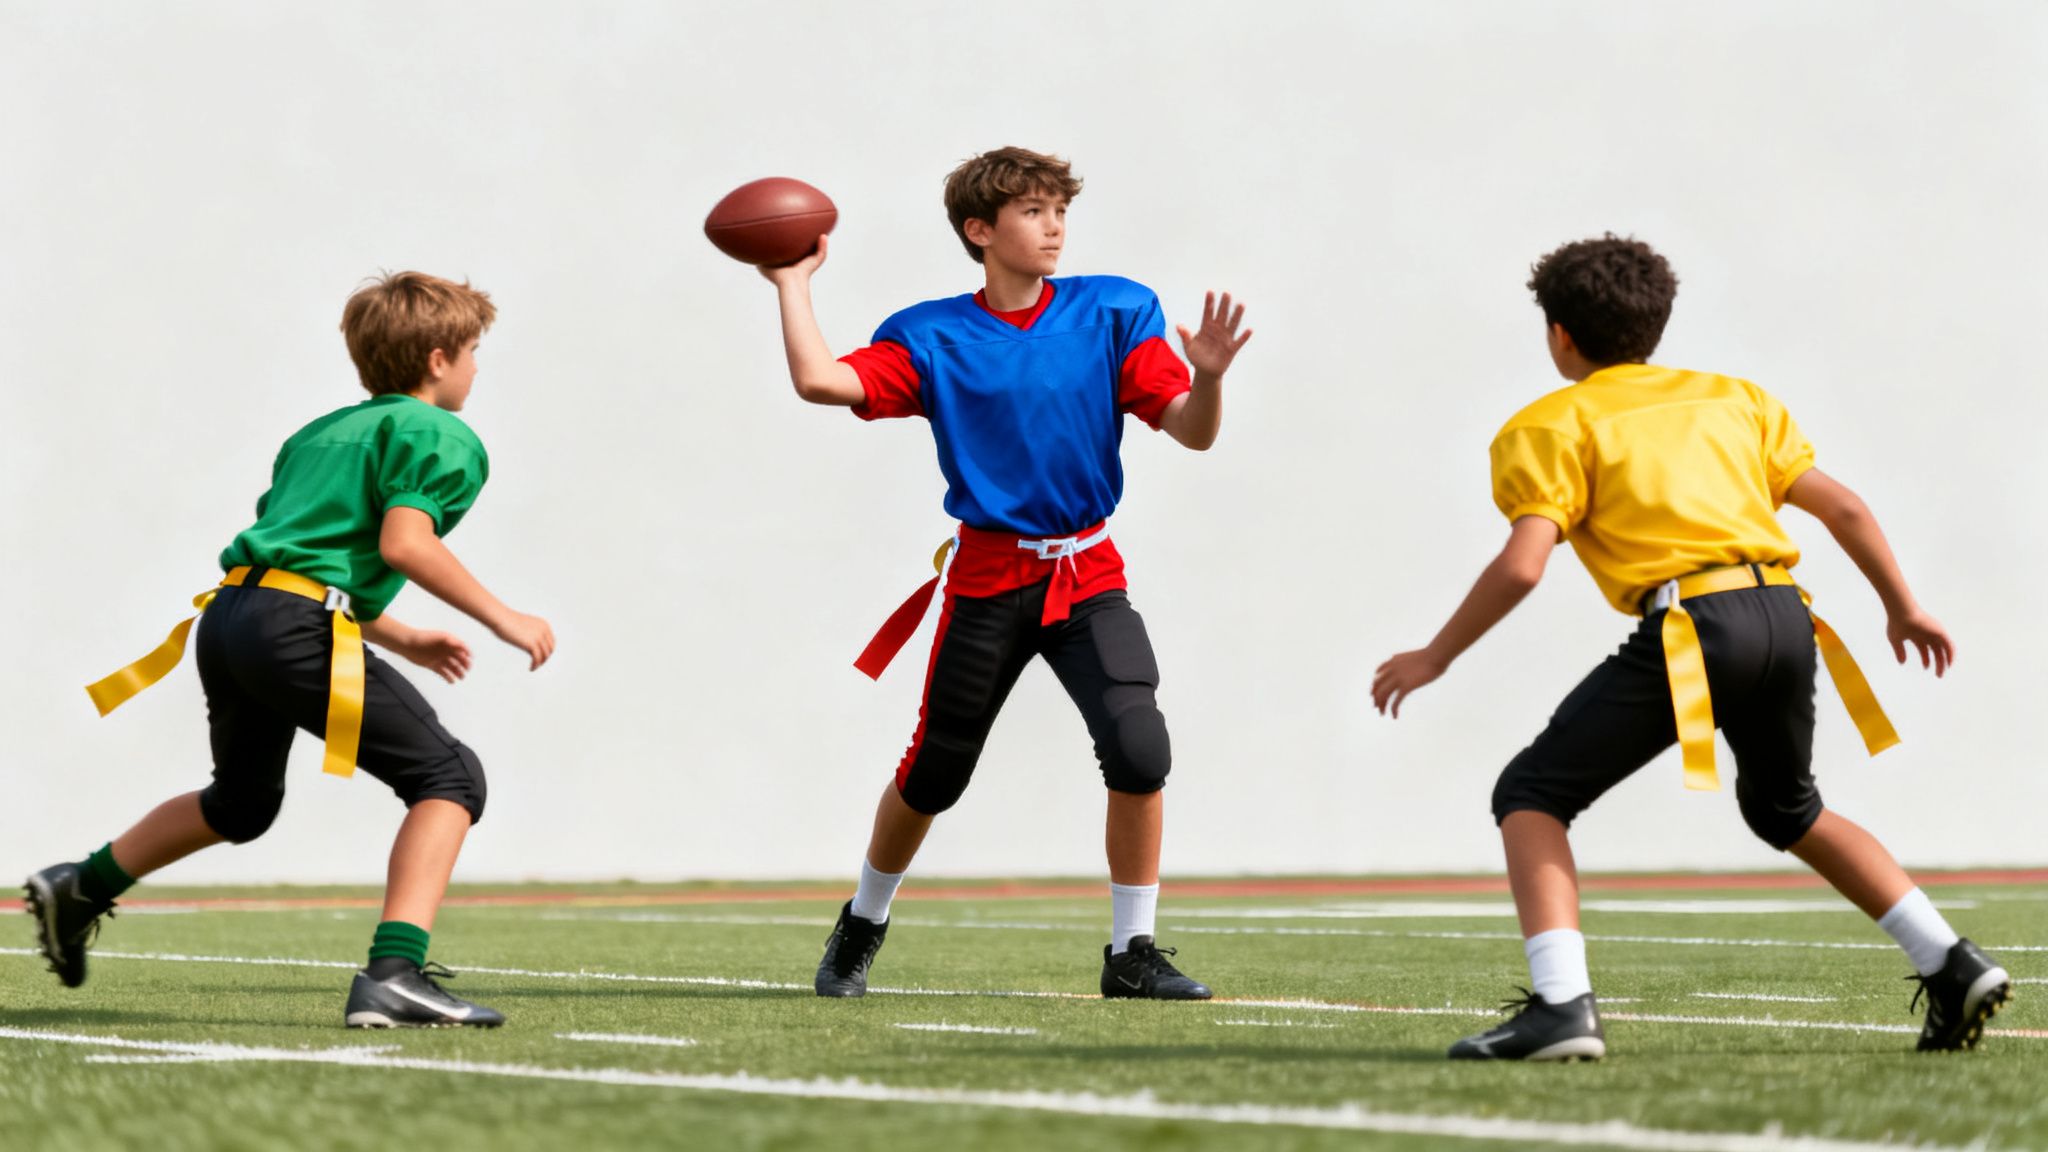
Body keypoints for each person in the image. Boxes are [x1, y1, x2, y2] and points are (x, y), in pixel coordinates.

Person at [1372, 234, 2010, 1060]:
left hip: (1699, 623)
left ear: (1560, 334)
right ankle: (1950, 961)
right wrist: (1904, 607)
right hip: (1786, 613)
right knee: (1788, 808)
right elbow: (1844, 506)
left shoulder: (1552, 422)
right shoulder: (1733, 399)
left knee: (1530, 793)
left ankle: (1562, 1008)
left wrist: (1435, 656)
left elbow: (1525, 564)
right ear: (1656, 324)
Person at [760, 146, 1251, 1000]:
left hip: (1087, 570)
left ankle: (1131, 952)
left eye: (1060, 208)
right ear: (979, 231)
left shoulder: (1114, 309)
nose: (1054, 225)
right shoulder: (932, 331)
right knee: (934, 772)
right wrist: (790, 282)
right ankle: (863, 921)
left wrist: (1207, 380)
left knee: (1140, 746)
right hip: (989, 578)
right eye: (1032, 211)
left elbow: (1193, 430)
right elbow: (817, 380)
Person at [27, 271, 556, 1028]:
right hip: (289, 627)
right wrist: (504, 615)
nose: (478, 366)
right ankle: (395, 974)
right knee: (449, 776)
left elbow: (297, 561)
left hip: (234, 616)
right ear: (439, 359)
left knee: (239, 804)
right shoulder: (438, 433)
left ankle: (83, 885)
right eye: (474, 350)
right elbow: (405, 543)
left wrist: (400, 634)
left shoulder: (318, 435)